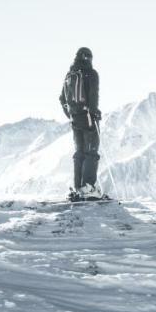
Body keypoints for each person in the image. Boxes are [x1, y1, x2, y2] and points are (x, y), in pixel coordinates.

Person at [58, 46, 104, 200]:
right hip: (88, 118)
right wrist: (94, 112)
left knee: (79, 153)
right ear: (89, 58)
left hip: (75, 119)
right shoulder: (91, 74)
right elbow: (93, 95)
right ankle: (88, 187)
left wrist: (71, 114)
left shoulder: (69, 75)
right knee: (91, 152)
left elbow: (62, 99)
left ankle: (78, 188)